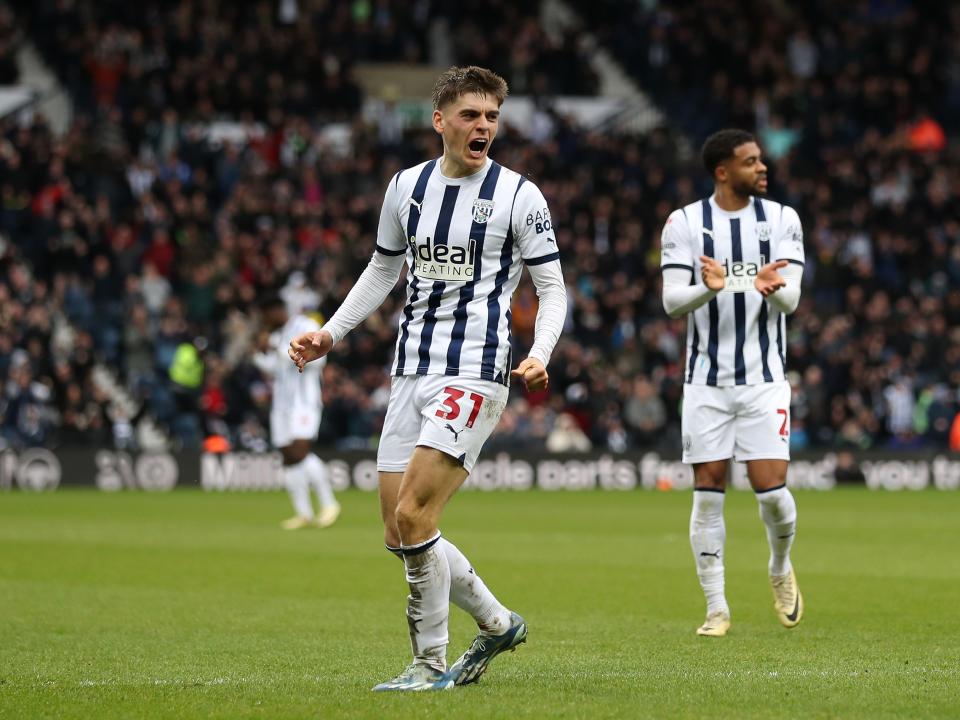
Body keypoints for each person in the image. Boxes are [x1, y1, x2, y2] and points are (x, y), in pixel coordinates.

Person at [289, 66, 566, 691]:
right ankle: (496, 623)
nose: (484, 127)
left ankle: (429, 663)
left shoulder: (521, 196)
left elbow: (551, 288)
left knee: (416, 515)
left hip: (477, 368)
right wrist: (331, 333)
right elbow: (383, 270)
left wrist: (541, 349)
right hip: (412, 367)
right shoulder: (405, 188)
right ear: (439, 120)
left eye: (492, 117)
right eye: (471, 115)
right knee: (399, 529)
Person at [660, 129, 805, 637]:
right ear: (723, 171)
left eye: (761, 159)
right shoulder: (685, 223)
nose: (762, 168)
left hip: (764, 380)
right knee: (707, 494)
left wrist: (771, 290)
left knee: (771, 494)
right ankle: (716, 608)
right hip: (705, 383)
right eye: (751, 161)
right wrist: (708, 286)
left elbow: (793, 301)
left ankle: (779, 567)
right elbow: (672, 301)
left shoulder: (782, 219)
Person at [254, 292, 339, 529]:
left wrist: (274, 347)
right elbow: (275, 369)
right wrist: (259, 354)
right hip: (282, 404)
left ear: (276, 310)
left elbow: (318, 359)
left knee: (299, 451)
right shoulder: (278, 334)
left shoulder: (306, 325)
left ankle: (329, 503)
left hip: (304, 400)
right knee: (288, 456)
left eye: (266, 316)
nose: (265, 322)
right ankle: (304, 513)